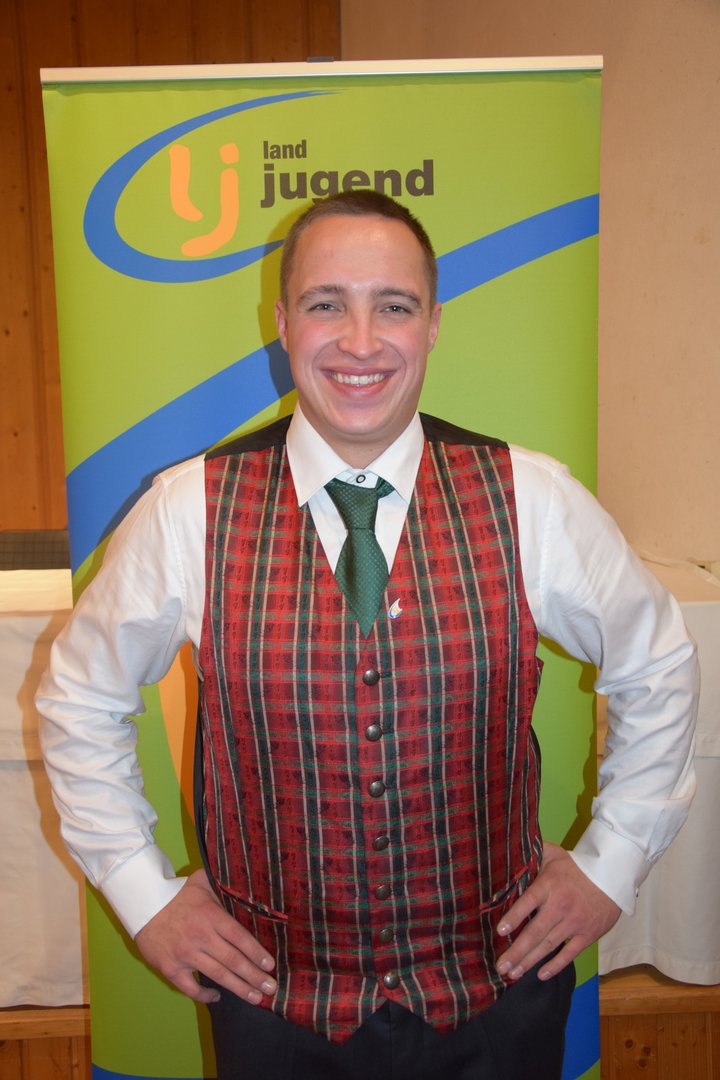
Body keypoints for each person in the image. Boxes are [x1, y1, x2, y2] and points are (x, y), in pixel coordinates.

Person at [37, 190, 698, 1080]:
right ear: (282, 323)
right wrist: (141, 894)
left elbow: (659, 664)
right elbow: (80, 698)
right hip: (275, 1011)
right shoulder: (187, 509)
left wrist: (611, 865)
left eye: (393, 305)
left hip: (498, 997)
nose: (359, 341)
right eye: (326, 304)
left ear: (433, 324)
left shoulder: (530, 498)